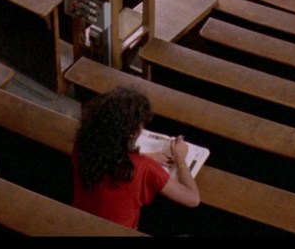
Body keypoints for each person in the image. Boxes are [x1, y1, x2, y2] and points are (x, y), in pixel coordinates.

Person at [71, 86, 200, 229]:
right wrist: (180, 158)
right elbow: (192, 198)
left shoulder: (83, 146)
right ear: (130, 132)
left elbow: (111, 157)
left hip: (80, 225)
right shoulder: (142, 167)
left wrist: (142, 155)